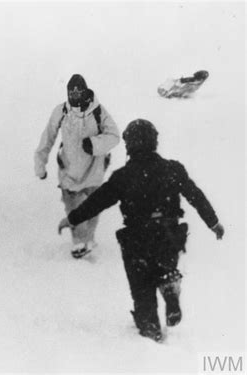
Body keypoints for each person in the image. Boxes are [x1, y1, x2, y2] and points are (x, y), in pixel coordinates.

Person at [58, 119, 224, 342]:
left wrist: (72, 218)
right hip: (169, 234)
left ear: (129, 146)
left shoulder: (123, 177)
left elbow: (97, 201)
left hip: (137, 240)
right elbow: (196, 196)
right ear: (154, 142)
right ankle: (169, 285)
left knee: (142, 290)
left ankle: (150, 328)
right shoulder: (173, 169)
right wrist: (213, 222)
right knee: (165, 265)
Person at [35, 74, 120, 258]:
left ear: (85, 91)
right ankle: (79, 243)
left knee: (92, 209)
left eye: (77, 91)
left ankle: (87, 240)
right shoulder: (62, 111)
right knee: (73, 209)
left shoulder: (98, 112)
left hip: (94, 172)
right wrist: (40, 165)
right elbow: (47, 138)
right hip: (69, 172)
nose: (74, 95)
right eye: (70, 92)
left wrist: (95, 144)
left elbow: (114, 136)